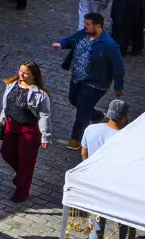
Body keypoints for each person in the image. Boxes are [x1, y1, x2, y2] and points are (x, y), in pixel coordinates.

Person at [53, 12, 126, 148]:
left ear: (98, 26)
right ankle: (96, 115)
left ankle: (76, 140)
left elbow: (118, 67)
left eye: (87, 24)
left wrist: (118, 86)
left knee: (82, 110)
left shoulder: (109, 45)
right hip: (77, 79)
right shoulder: (83, 34)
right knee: (73, 100)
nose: (84, 26)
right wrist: (61, 44)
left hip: (95, 83)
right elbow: (71, 40)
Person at [0, 61, 51, 202]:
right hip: (11, 125)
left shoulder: (41, 95)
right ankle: (21, 174)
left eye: (26, 72)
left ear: (34, 76)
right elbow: (6, 106)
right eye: (20, 71)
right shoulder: (11, 85)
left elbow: (44, 115)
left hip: (30, 129)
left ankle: (21, 193)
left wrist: (45, 136)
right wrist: (1, 120)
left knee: (27, 161)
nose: (21, 74)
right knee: (6, 152)